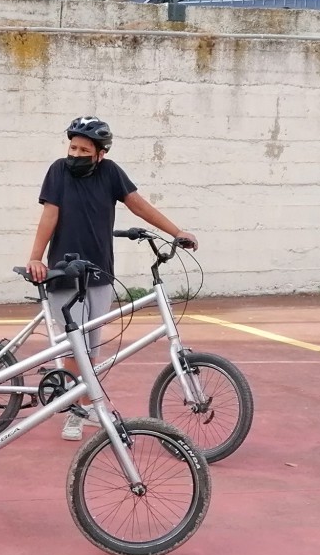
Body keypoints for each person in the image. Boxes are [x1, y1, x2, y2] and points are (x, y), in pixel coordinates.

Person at [24, 116, 197, 440]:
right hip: (63, 271)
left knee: (91, 346)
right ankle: (75, 412)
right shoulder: (58, 171)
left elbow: (138, 204)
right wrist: (36, 257)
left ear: (100, 153)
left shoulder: (110, 173)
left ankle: (85, 404)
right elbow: (50, 215)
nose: (75, 154)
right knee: (73, 347)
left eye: (84, 149)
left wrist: (176, 232)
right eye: (72, 147)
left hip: (100, 272)